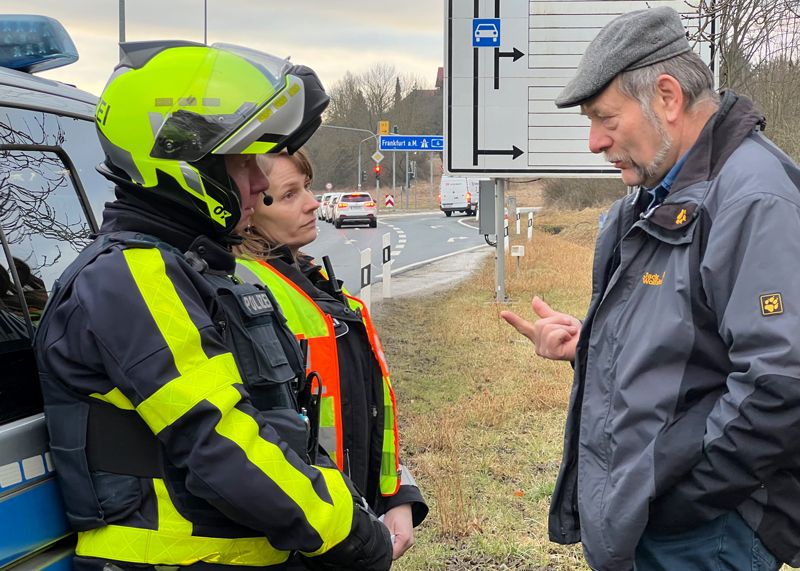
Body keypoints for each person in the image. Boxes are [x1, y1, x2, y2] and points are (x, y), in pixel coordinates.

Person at [34, 40, 393, 571]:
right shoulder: (133, 276)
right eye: (243, 163)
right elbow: (217, 437)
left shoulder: (192, 270)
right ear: (184, 162)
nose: (257, 183)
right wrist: (350, 534)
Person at [501, 6, 800, 571]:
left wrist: (681, 503)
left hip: (705, 533)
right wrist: (592, 343)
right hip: (649, 518)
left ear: (667, 96)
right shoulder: (653, 200)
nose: (594, 141)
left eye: (605, 118)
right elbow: (691, 344)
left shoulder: (752, 199)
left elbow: (780, 382)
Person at [233, 150, 428, 561]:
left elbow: (361, 414)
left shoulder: (309, 280)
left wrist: (397, 495)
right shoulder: (244, 296)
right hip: (307, 536)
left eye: (305, 187)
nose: (312, 203)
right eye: (289, 195)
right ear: (247, 206)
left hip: (347, 523)